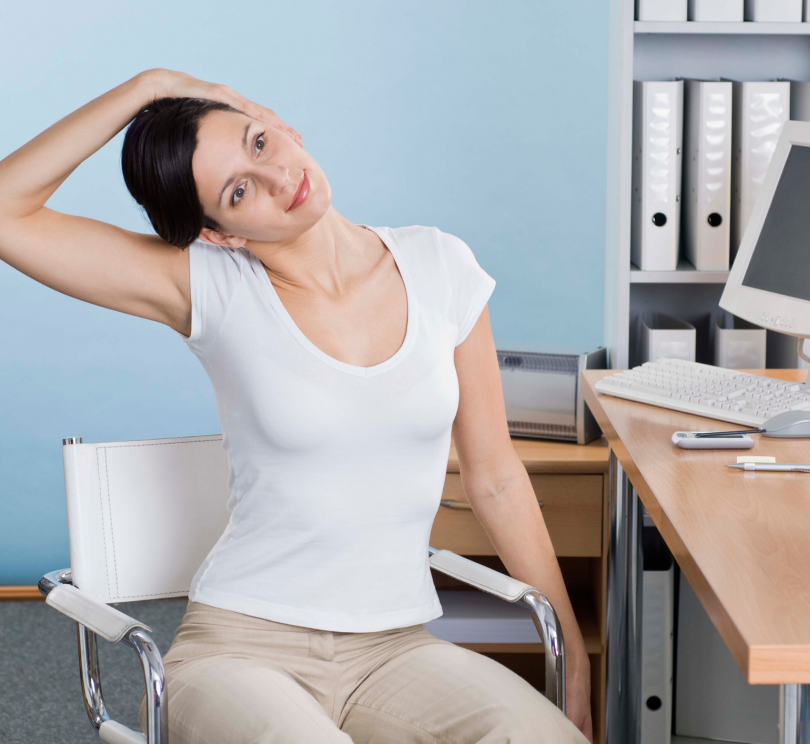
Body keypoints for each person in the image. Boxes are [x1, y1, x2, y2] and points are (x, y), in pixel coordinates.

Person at [0, 68, 593, 743]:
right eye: (239, 190)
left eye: (258, 144)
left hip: (395, 652)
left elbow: (495, 477)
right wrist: (148, 86)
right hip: (238, 653)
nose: (280, 179)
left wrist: (571, 655)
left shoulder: (442, 266)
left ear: (280, 124)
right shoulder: (211, 289)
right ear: (219, 232)